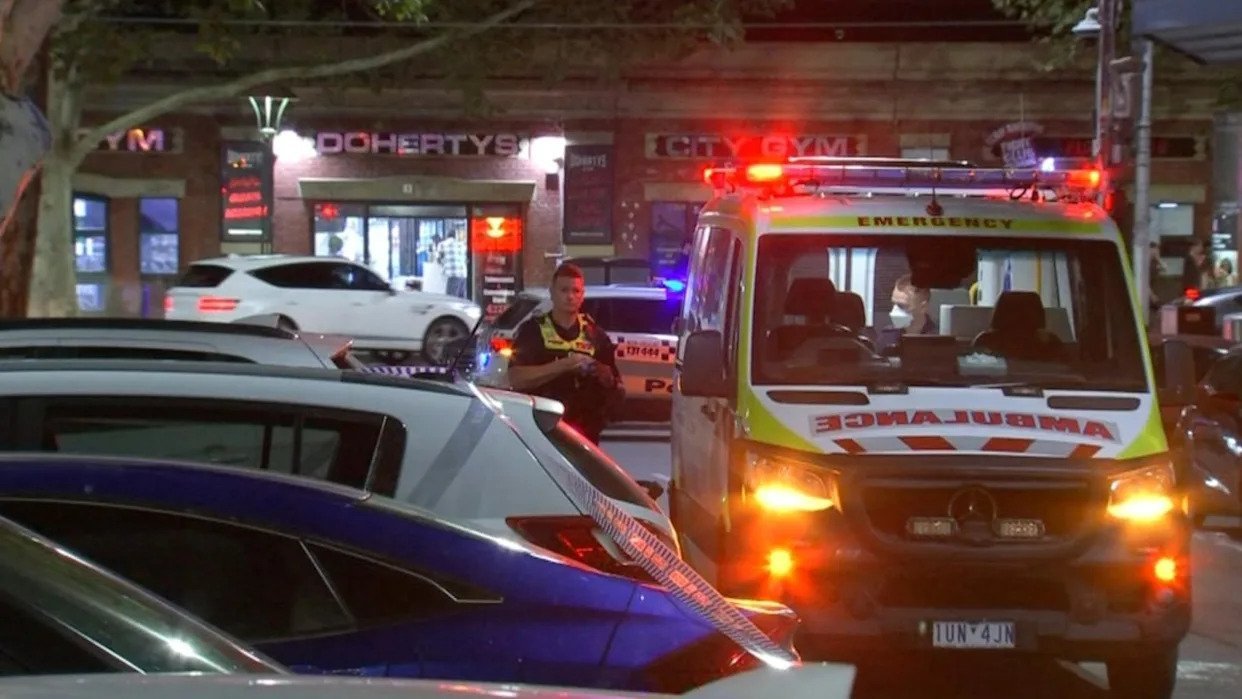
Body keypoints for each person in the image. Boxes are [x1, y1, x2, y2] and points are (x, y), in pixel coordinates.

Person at [507, 263, 623, 444]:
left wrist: (602, 374)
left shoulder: (595, 335)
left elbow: (616, 385)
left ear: (582, 295)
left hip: (585, 433)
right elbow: (516, 378)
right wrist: (565, 365)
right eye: (564, 290)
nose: (570, 297)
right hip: (543, 429)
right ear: (551, 292)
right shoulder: (533, 331)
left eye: (576, 291)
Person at [877, 274, 938, 353]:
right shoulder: (886, 337)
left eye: (902, 306)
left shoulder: (939, 340)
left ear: (923, 307)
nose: (894, 310)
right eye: (893, 304)